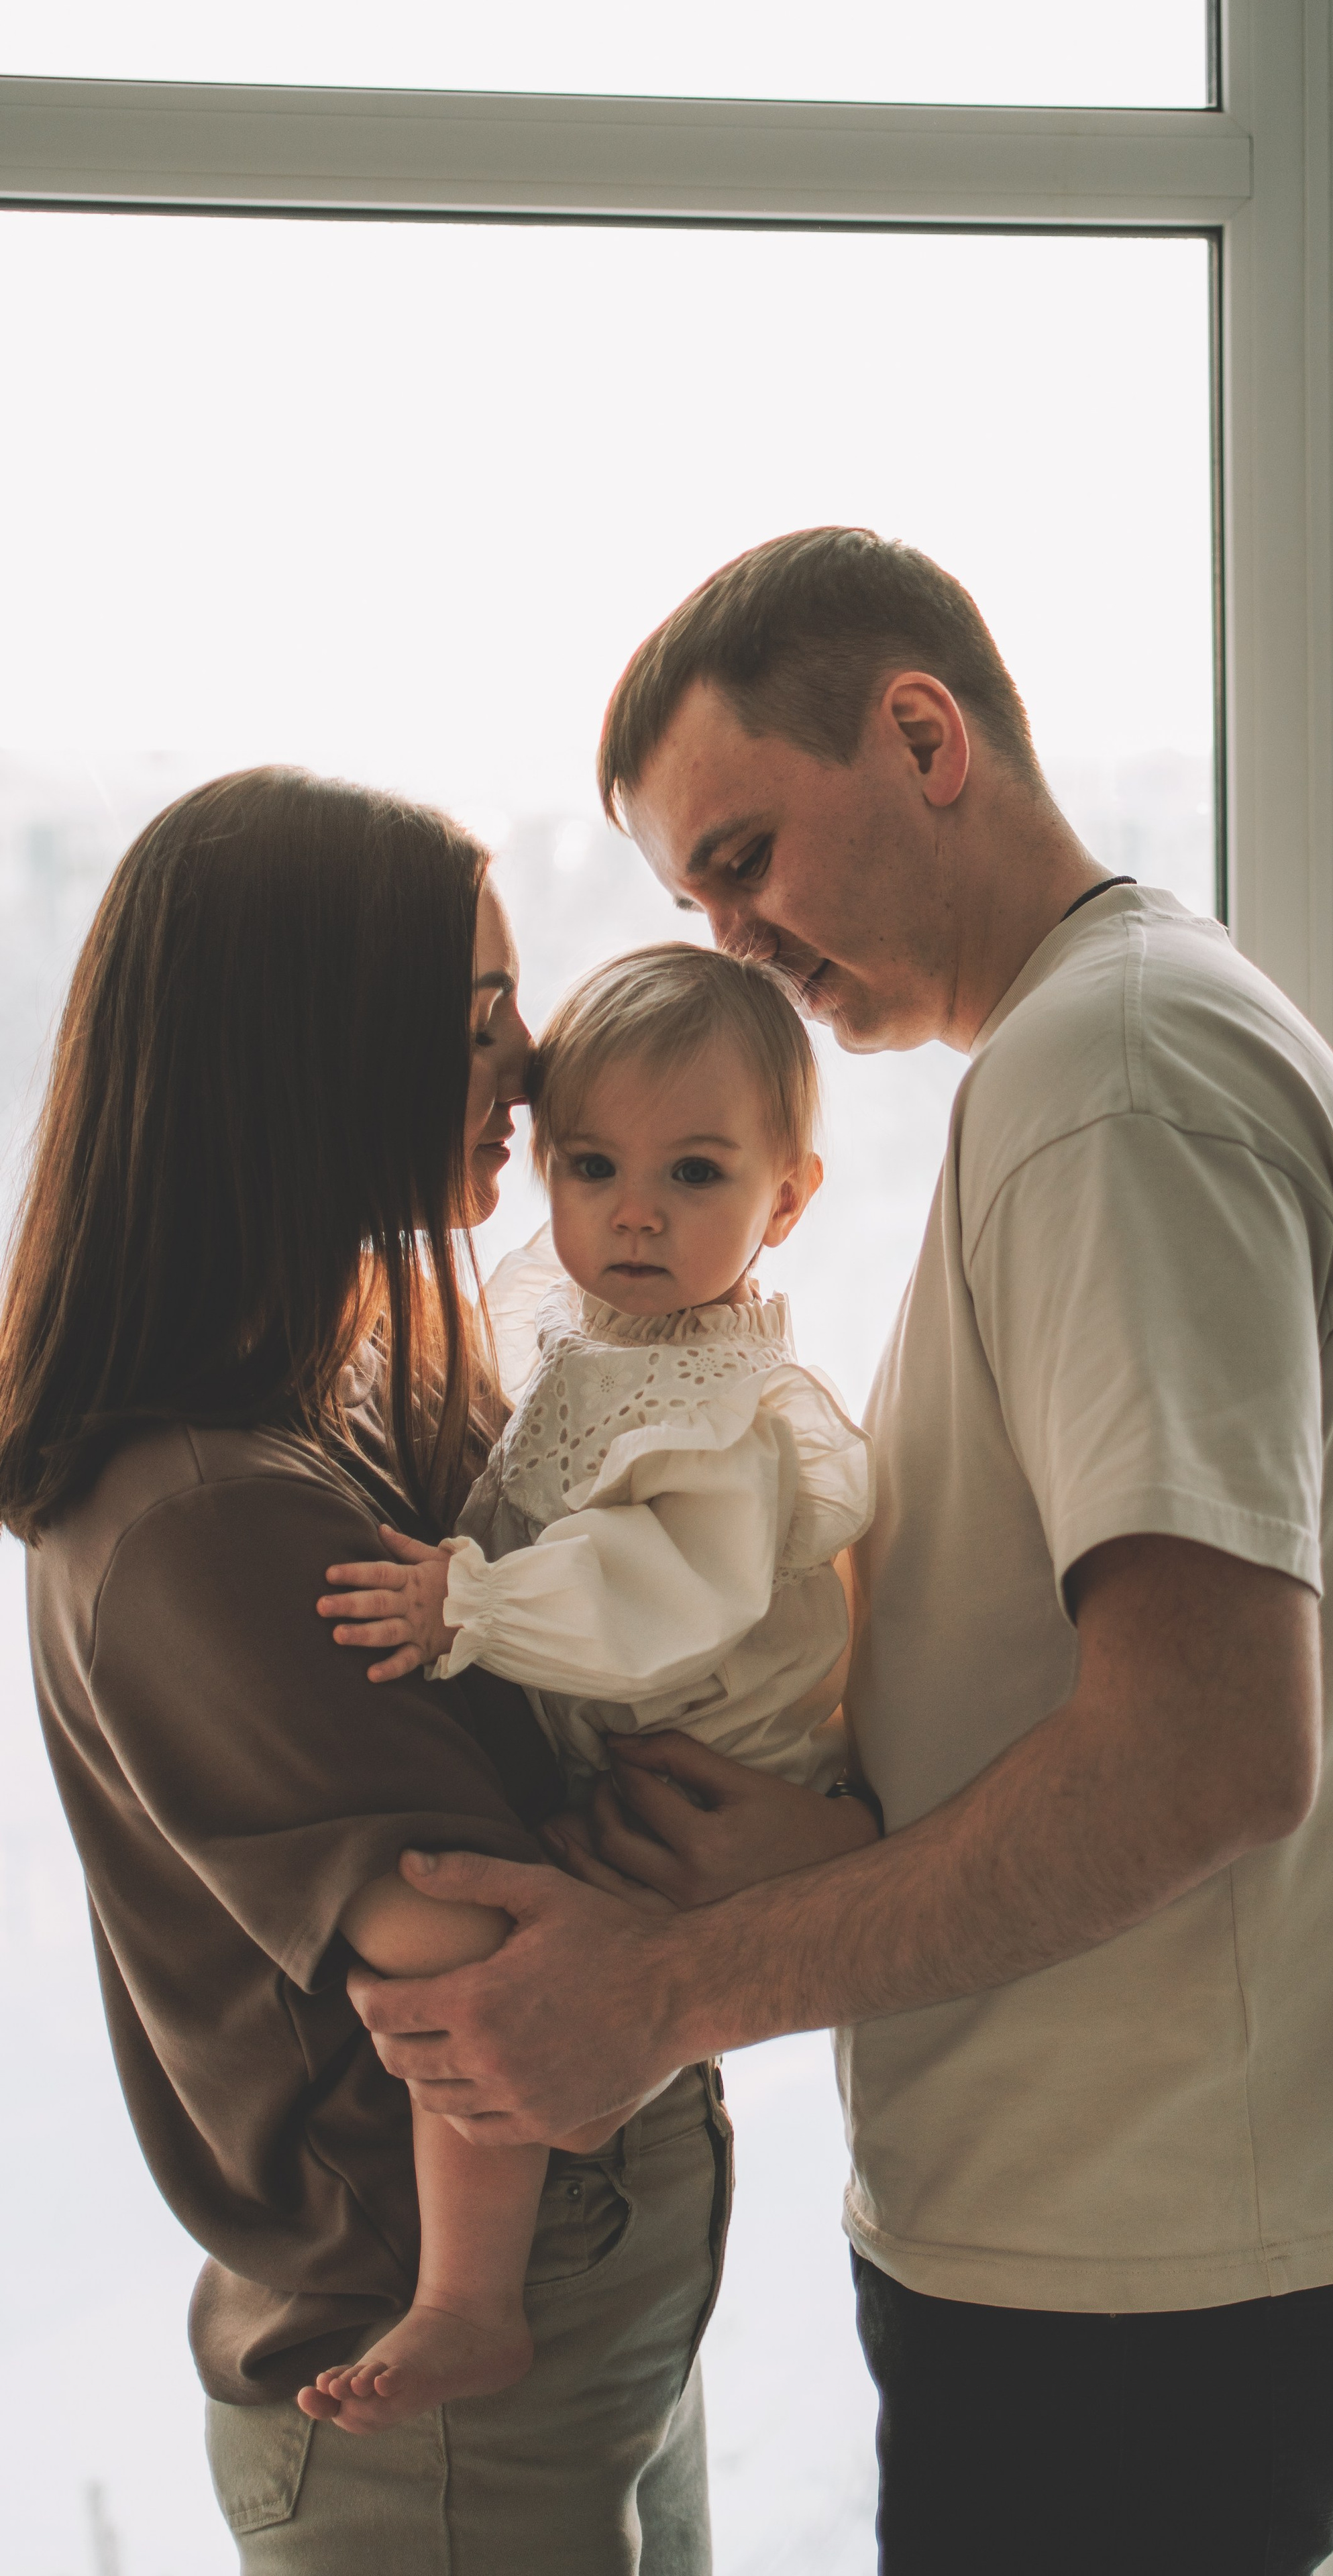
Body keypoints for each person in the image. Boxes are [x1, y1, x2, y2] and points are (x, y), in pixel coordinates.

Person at [350, 530, 1333, 2575]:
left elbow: (1213, 1753)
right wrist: (841, 1844)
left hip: (1151, 2255)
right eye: (691, 898)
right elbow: (1113, 1707)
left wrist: (676, 1988)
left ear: (920, 734)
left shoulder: (1111, 1086)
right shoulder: (1126, 1046)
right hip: (1161, 2223)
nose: (731, 938)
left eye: (742, 855)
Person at [0, 767, 860, 2575]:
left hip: (580, 2325)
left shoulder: (366, 1375)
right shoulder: (205, 1523)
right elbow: (496, 1984)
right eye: (480, 1019)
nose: (537, 1061)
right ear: (315, 1055)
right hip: (451, 2393)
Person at [303, 941, 875, 2432]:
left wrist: (469, 1605)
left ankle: (468, 2301)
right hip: (619, 1748)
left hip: (708, 1767)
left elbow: (659, 1601)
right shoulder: (587, 1328)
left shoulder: (720, 1407)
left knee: (489, 1981)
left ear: (786, 1200)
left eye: (695, 1175)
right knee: (479, 1959)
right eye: (589, 1163)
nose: (631, 1212)